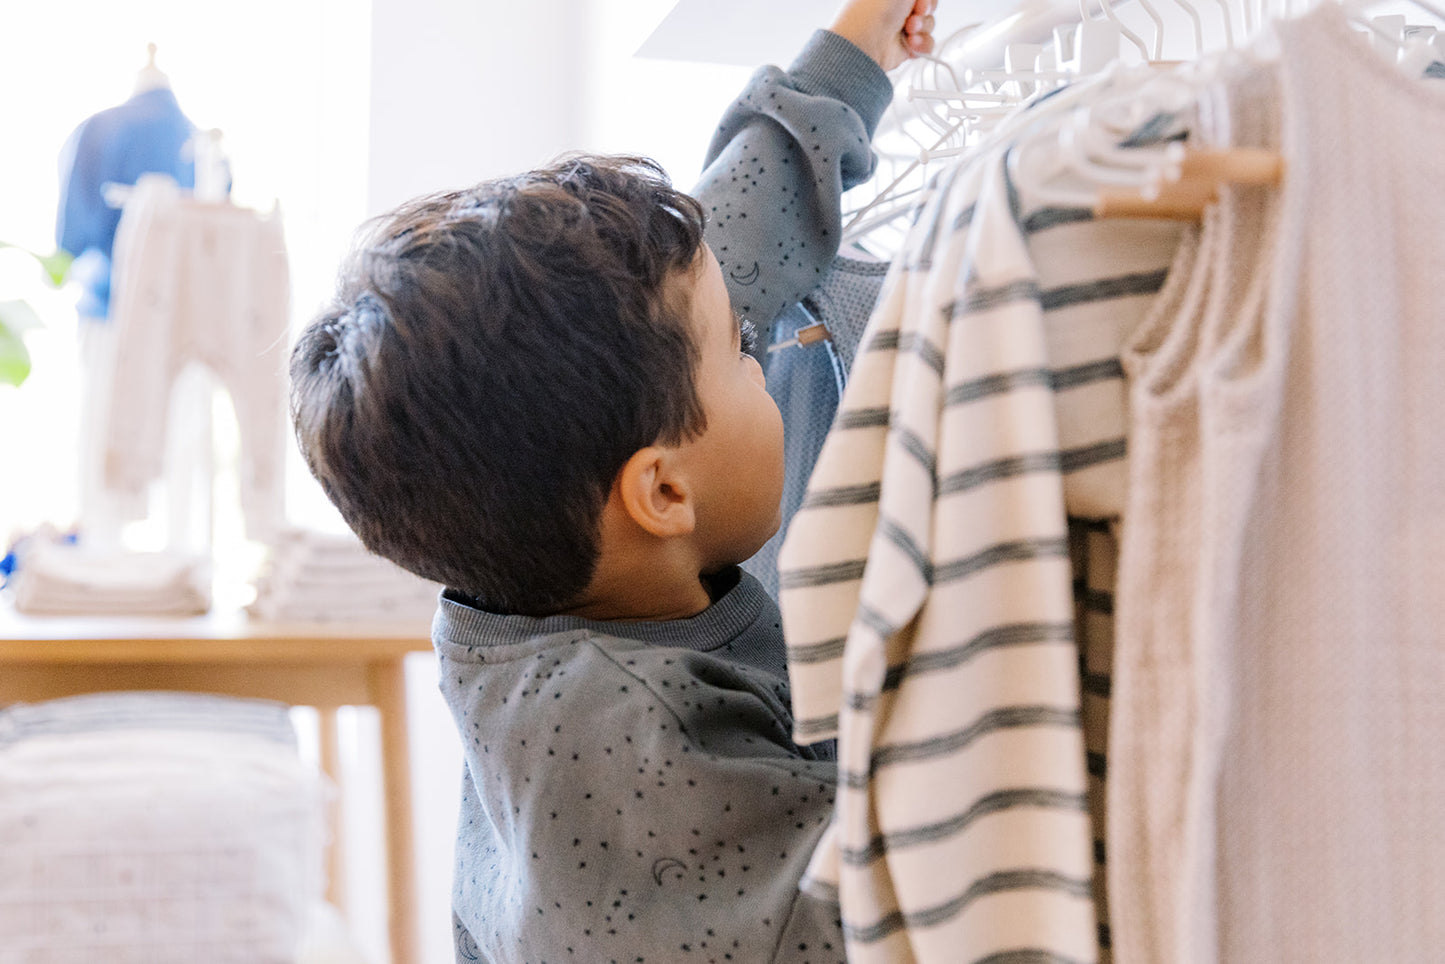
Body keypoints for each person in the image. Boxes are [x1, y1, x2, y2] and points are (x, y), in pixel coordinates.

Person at [289, 1, 937, 960]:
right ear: (662, 493)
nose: (762, 354)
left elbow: (731, 257)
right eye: (741, 352)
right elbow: (908, 922)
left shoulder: (553, 559)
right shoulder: (645, 771)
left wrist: (853, 50)